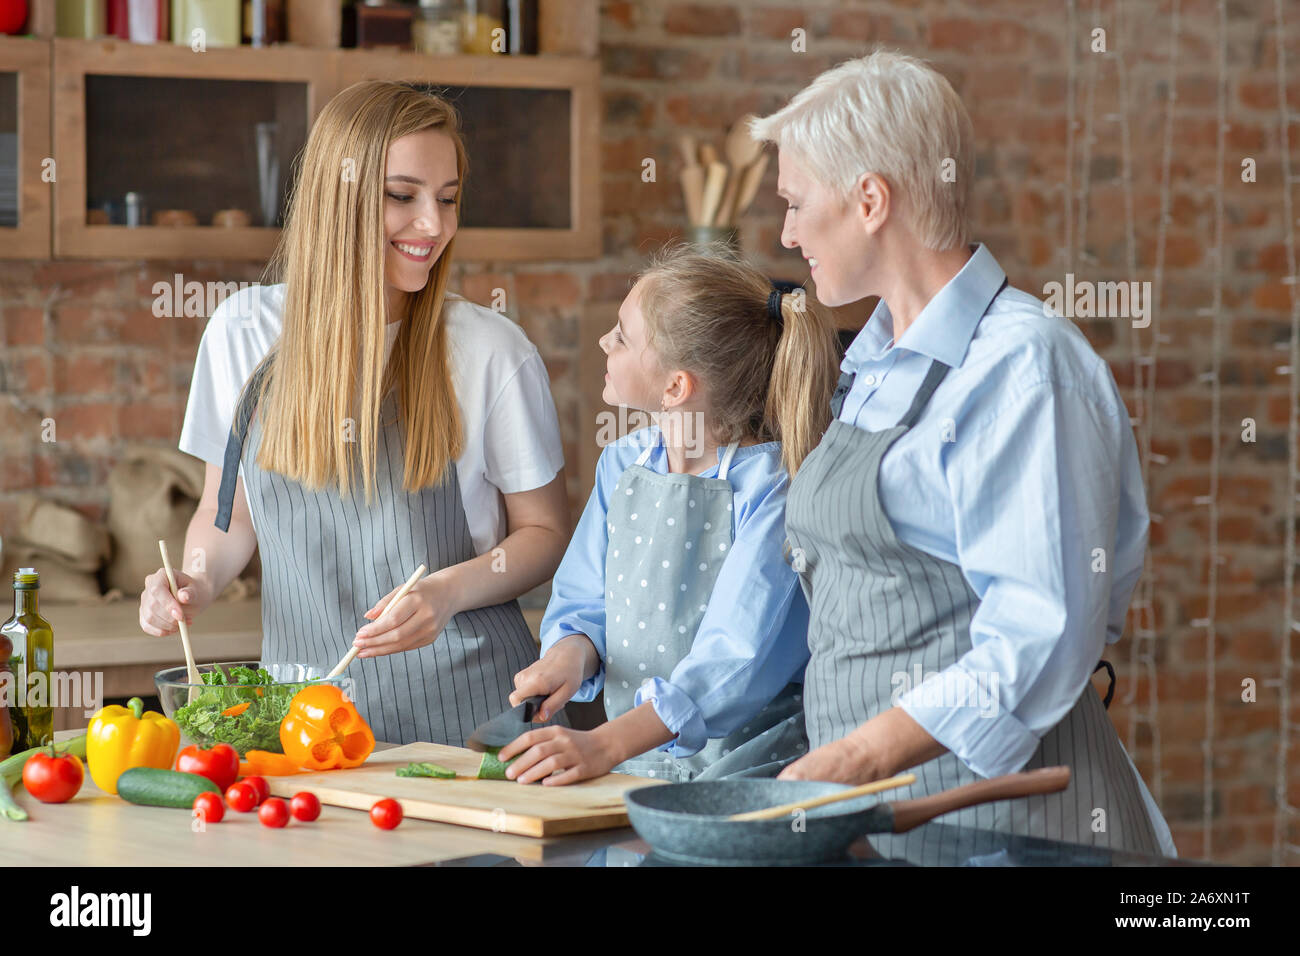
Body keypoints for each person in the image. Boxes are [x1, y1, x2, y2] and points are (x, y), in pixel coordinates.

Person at [752, 50, 1178, 856]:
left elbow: (1042, 629)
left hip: (1012, 826)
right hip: (887, 822)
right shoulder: (873, 364)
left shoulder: (1022, 365)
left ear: (870, 199)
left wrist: (856, 755)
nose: (786, 233)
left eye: (797, 204)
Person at [137, 81, 569, 747]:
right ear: (337, 197)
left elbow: (542, 533)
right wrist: (193, 578)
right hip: (306, 727)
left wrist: (448, 593)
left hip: (475, 722)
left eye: (448, 199)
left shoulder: (490, 351)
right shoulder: (243, 332)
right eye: (403, 196)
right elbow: (228, 516)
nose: (434, 225)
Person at [499, 247, 839, 784]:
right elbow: (585, 600)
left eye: (622, 336)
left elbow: (734, 659)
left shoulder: (776, 487)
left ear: (675, 387)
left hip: (749, 772)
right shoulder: (621, 463)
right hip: (633, 765)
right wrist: (571, 654)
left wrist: (603, 744)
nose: (604, 343)